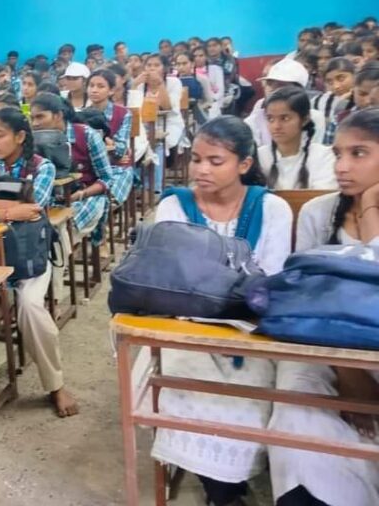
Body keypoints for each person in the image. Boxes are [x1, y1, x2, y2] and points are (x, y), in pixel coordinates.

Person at [147, 117, 292, 506]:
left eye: (215, 161)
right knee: (187, 390)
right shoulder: (174, 205)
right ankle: (222, 492)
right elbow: (177, 280)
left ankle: (231, 481)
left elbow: (269, 279)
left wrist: (212, 289)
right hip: (187, 330)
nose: (201, 170)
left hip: (251, 332)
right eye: (196, 159)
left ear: (244, 164)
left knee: (249, 395)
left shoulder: (272, 208)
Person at [267, 108, 379, 506]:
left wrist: (371, 210)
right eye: (337, 154)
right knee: (298, 414)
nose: (342, 167)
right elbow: (308, 301)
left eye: (359, 153)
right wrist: (349, 373)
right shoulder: (319, 212)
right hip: (323, 351)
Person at [0, 107, 80, 417]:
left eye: (0, 135)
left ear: (20, 136)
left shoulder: (42, 167)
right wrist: (9, 211)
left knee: (31, 306)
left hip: (30, 257)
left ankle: (55, 385)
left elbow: (35, 207)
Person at [31, 93, 122, 238]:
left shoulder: (87, 135)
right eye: (32, 118)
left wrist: (81, 194)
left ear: (58, 116)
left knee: (64, 226)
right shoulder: (33, 140)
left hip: (87, 195)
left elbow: (107, 179)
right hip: (49, 199)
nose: (35, 123)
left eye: (40, 117)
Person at [257, 86, 337, 191]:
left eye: (285, 118)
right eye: (270, 119)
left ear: (305, 119)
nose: (276, 126)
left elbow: (323, 196)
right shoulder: (259, 157)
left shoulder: (323, 156)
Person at [130, 54, 185, 194]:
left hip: (169, 123)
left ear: (164, 68)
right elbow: (133, 107)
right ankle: (138, 184)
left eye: (156, 65)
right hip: (145, 124)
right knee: (136, 143)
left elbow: (168, 107)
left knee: (157, 143)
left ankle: (154, 187)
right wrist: (134, 85)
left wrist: (160, 84)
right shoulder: (141, 84)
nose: (152, 68)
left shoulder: (173, 82)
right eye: (149, 65)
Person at [244, 59, 327, 146]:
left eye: (281, 85)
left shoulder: (315, 118)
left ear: (299, 90)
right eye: (270, 83)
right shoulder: (253, 122)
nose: (272, 89)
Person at [315, 58, 356, 144]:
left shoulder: (365, 99)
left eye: (341, 79)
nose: (336, 86)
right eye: (329, 82)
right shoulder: (318, 101)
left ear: (355, 76)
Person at [193, 47, 226, 118]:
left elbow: (220, 91)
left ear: (206, 57)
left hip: (213, 102)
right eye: (195, 56)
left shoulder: (216, 69)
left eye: (201, 56)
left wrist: (211, 100)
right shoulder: (190, 71)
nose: (197, 58)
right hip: (196, 103)